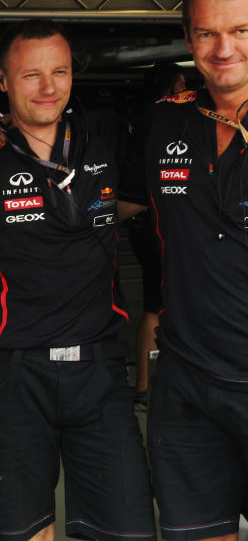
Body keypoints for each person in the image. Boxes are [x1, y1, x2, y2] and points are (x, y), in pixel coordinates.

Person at [0, 20, 155, 541]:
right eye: (31, 75)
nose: (49, 87)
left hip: (100, 370)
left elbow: (139, 196)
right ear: (2, 80)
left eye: (60, 71)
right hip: (14, 372)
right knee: (28, 532)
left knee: (127, 529)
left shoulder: (104, 131)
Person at [132, 0, 248, 541]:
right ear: (189, 39)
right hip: (186, 384)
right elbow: (74, 160)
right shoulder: (162, 126)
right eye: (207, 33)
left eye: (241, 31)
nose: (223, 48)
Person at [128, 61, 185, 402]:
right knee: (157, 304)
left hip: (142, 223)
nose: (186, 90)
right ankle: (147, 387)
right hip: (155, 222)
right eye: (182, 84)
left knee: (156, 301)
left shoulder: (137, 117)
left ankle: (148, 385)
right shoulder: (165, 118)